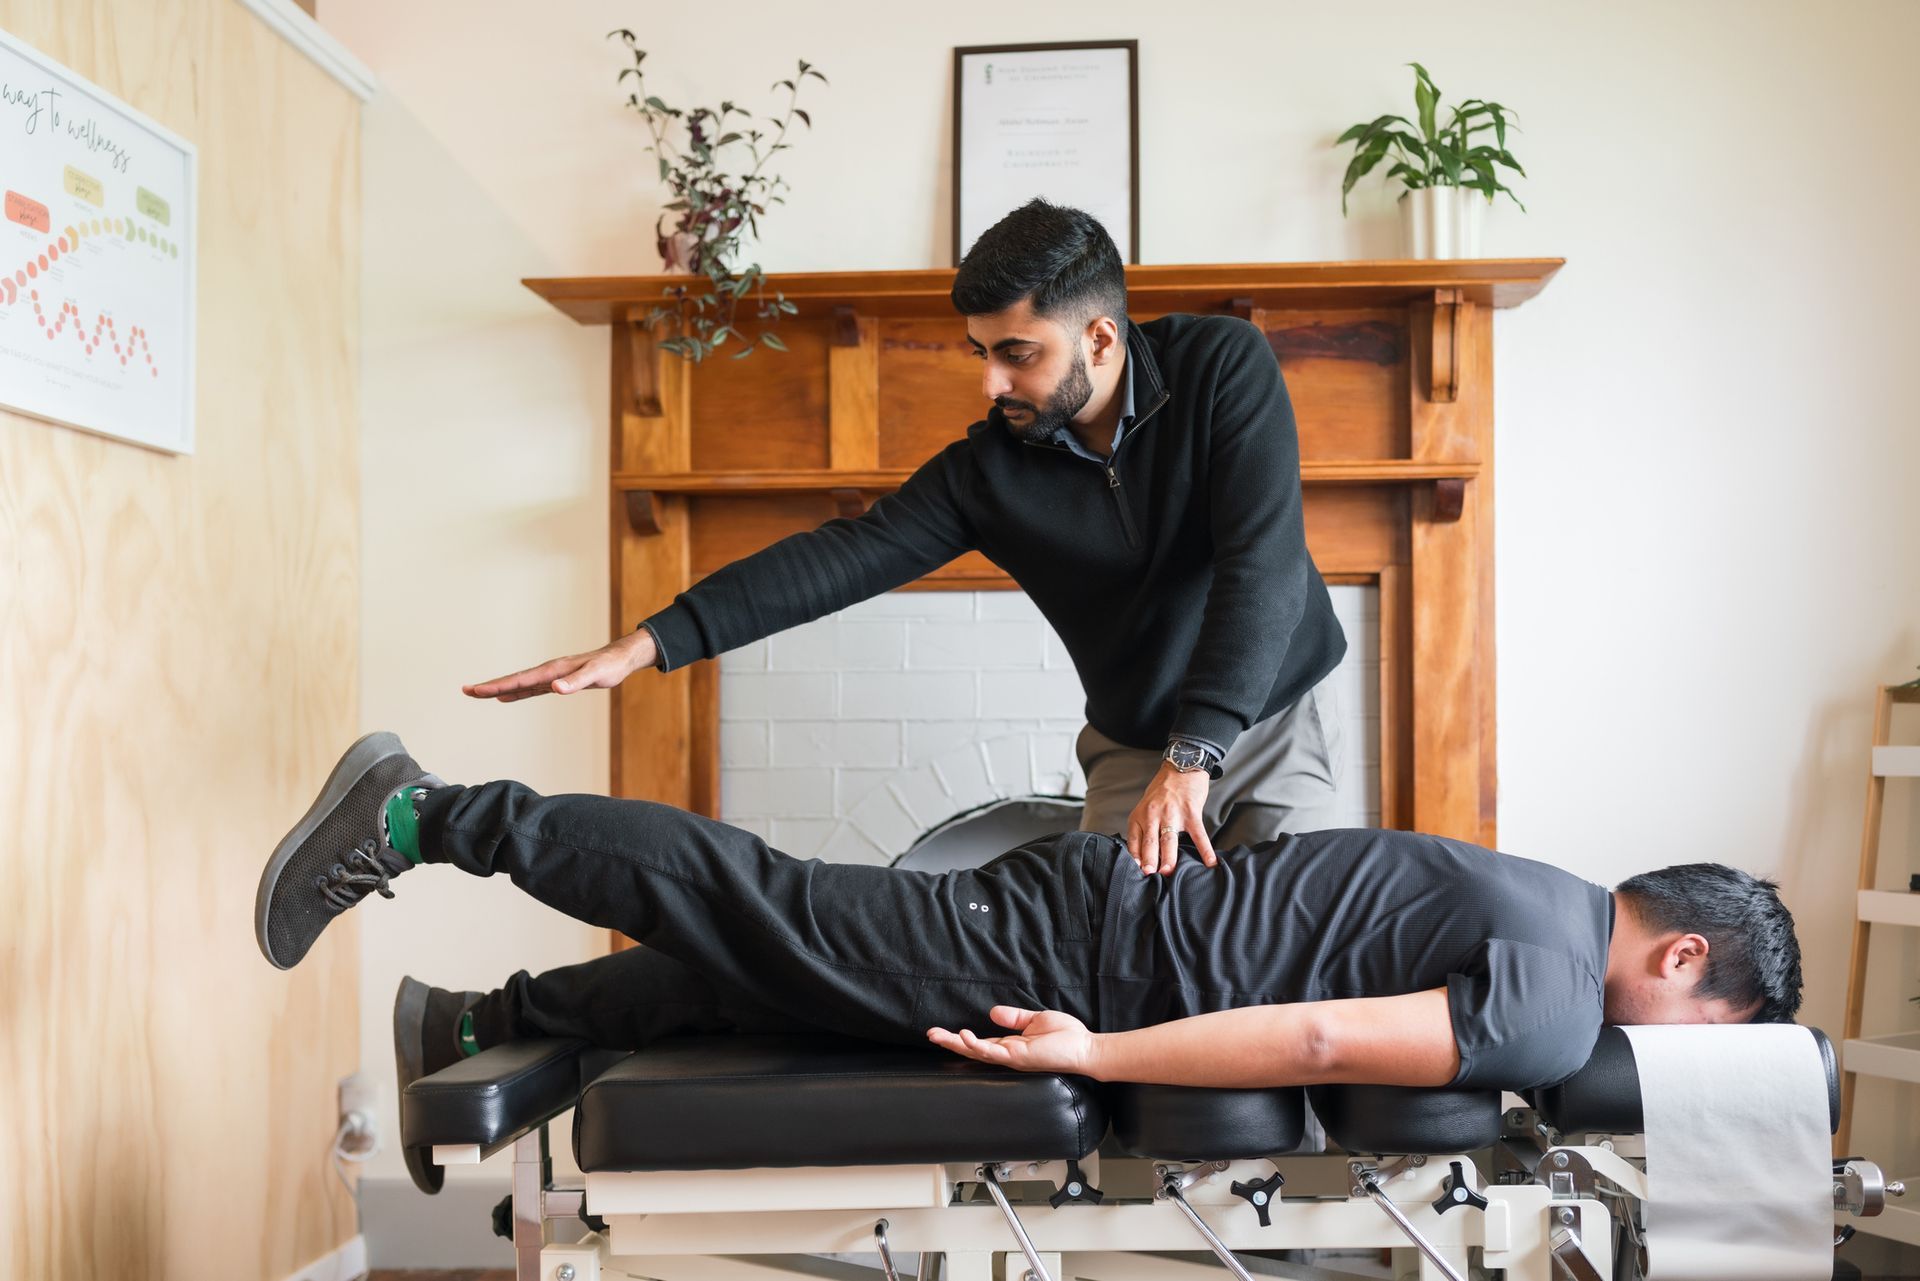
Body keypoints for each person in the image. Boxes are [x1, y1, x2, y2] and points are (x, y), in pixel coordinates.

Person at [461, 199, 1348, 873]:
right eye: (980, 353)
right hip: (1131, 743)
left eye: (1018, 353)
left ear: (1101, 336)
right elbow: (842, 557)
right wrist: (650, 641)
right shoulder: (989, 471)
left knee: (1303, 951)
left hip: (1266, 717)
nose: (992, 380)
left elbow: (1259, 564)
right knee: (1112, 968)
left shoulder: (1222, 367)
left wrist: (1197, 754)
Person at [259, 732, 1802, 1096]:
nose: (1667, 1048)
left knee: (788, 979)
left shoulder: (1537, 888)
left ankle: (476, 1022)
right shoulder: (1549, 1006)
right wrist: (1098, 1061)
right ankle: (425, 815)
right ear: (1680, 955)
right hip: (1081, 958)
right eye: (1699, 1028)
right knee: (762, 905)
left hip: (1100, 916)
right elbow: (1326, 1035)